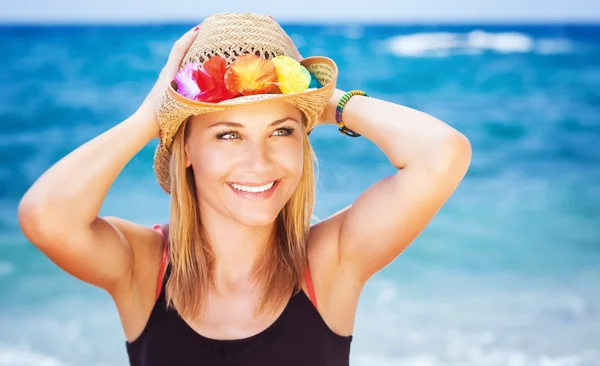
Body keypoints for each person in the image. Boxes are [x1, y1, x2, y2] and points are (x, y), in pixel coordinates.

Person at [17, 12, 471, 366]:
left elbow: (442, 153)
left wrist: (318, 99)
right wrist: (150, 119)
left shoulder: (329, 262)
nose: (259, 163)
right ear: (187, 150)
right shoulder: (142, 267)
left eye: (282, 132)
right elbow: (44, 216)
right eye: (228, 134)